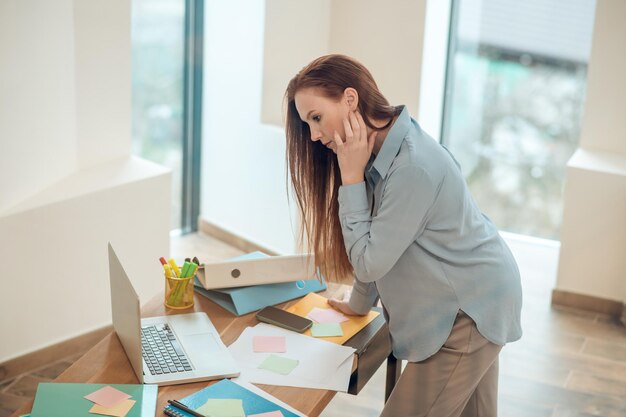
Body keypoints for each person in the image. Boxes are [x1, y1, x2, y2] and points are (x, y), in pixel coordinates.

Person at [284, 54, 522, 417]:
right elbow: (379, 244)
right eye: (308, 124)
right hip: (478, 294)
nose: (314, 135)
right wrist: (359, 305)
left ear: (350, 99)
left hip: (467, 311)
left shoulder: (412, 167)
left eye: (316, 118)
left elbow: (369, 261)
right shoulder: (379, 151)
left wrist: (350, 180)